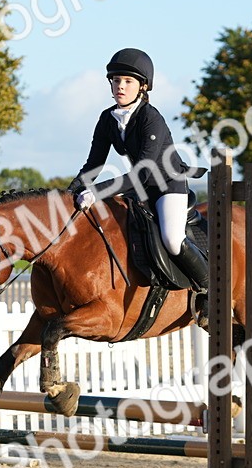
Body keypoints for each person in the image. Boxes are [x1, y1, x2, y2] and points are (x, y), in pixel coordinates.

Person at [68, 48, 208, 322]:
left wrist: (96, 192)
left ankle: (210, 290)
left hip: (167, 186)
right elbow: (94, 163)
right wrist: (71, 191)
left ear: (143, 86)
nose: (120, 86)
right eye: (116, 80)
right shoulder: (108, 118)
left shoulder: (150, 117)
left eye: (128, 81)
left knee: (171, 239)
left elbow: (143, 172)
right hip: (140, 188)